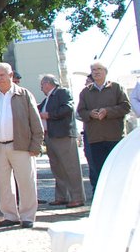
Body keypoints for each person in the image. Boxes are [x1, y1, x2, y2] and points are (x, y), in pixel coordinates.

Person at [0, 63, 43, 228]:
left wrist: (36, 145)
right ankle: (10, 215)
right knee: (3, 184)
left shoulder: (24, 95)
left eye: (3, 75)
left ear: (10, 76)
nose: (0, 79)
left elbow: (35, 122)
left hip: (21, 145)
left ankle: (28, 216)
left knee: (26, 182)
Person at [76, 61, 130, 192]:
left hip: (115, 136)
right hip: (95, 138)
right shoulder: (85, 92)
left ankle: (120, 194)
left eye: (99, 69)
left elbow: (126, 107)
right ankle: (103, 196)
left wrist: (107, 111)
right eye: (93, 70)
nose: (96, 72)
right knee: (100, 170)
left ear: (105, 72)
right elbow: (80, 112)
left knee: (117, 168)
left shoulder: (116, 88)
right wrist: (90, 114)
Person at [38, 75, 86, 208]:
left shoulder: (62, 93)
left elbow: (68, 108)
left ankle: (77, 197)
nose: (41, 88)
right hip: (50, 136)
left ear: (48, 83)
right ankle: (62, 196)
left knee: (70, 167)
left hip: (63, 135)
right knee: (57, 168)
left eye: (42, 85)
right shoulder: (47, 99)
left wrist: (49, 115)